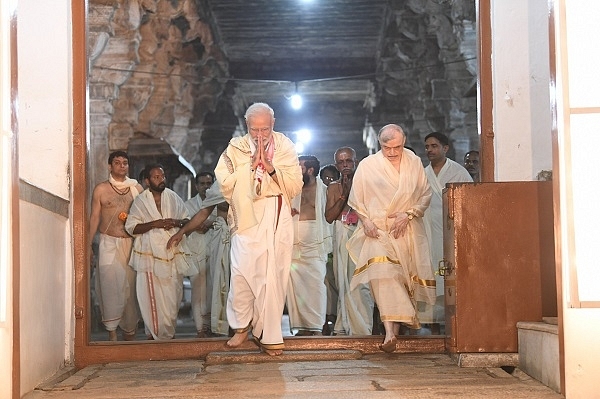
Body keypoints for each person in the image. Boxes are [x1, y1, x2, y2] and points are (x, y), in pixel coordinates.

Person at [214, 102, 302, 356]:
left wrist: (271, 167)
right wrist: (250, 166)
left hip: (276, 213)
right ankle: (241, 326)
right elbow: (225, 184)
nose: (260, 135)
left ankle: (267, 334)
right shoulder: (236, 147)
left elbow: (295, 184)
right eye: (255, 129)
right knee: (242, 270)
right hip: (247, 216)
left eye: (265, 129)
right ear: (247, 126)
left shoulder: (285, 146)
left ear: (273, 124)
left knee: (273, 274)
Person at [347, 124, 436, 352]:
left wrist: (408, 214)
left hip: (405, 231)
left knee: (401, 280)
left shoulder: (414, 162)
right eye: (388, 147)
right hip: (377, 231)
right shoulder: (368, 166)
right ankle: (389, 332)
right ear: (380, 144)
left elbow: (425, 195)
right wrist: (365, 221)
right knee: (384, 277)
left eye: (397, 147)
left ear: (404, 141)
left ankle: (394, 334)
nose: (393, 152)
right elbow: (357, 199)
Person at [125, 164, 197, 340]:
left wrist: (175, 222)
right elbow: (131, 227)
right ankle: (154, 334)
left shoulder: (173, 197)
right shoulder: (141, 201)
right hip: (149, 255)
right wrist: (155, 224)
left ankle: (168, 334)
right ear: (148, 181)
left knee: (173, 295)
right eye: (156, 177)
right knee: (151, 295)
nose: (161, 180)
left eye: (162, 176)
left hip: (171, 252)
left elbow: (187, 220)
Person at [89, 150, 143, 341]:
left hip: (131, 244)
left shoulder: (136, 188)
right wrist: (88, 246)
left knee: (130, 288)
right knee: (109, 286)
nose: (122, 165)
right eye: (117, 162)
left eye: (125, 163)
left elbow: (146, 215)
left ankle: (129, 332)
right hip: (108, 243)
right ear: (110, 166)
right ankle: (112, 333)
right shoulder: (101, 190)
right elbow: (94, 218)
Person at [167, 181, 231, 336]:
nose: (206, 186)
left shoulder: (249, 180)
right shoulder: (219, 188)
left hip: (243, 238)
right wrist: (181, 232)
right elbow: (203, 214)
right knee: (213, 284)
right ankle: (211, 327)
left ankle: (242, 326)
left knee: (236, 283)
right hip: (216, 243)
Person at [423, 132, 473, 330]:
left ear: (445, 148)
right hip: (428, 230)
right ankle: (434, 328)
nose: (430, 150)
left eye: (434, 146)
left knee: (451, 278)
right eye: (427, 147)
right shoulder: (423, 173)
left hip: (450, 231)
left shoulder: (458, 172)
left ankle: (454, 328)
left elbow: (468, 201)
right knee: (431, 277)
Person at [325, 147, 374, 336]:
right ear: (336, 164)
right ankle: (343, 324)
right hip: (341, 233)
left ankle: (363, 326)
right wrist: (343, 195)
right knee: (342, 281)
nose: (345, 165)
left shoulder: (366, 183)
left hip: (362, 233)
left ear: (356, 161)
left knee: (361, 281)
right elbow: (329, 217)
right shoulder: (333, 187)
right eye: (340, 162)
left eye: (348, 161)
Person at [286, 155, 332, 336]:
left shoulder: (325, 190)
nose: (297, 171)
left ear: (310, 170)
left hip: (315, 243)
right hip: (294, 243)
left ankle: (316, 327)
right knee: (296, 287)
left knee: (316, 286)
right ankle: (302, 327)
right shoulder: (292, 190)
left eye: (300, 168)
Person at [184, 171, 218, 338]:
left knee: (216, 289)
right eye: (203, 184)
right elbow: (186, 223)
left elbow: (222, 221)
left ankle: (215, 325)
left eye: (209, 183)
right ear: (196, 186)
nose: (206, 186)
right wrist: (200, 224)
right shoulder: (189, 205)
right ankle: (200, 328)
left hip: (217, 251)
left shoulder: (221, 203)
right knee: (198, 291)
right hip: (196, 251)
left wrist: (208, 223)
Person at [319, 163, 340, 334]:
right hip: (322, 245)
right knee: (325, 284)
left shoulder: (339, 192)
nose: (328, 180)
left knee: (338, 283)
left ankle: (339, 318)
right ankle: (325, 320)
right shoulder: (318, 193)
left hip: (338, 242)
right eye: (325, 177)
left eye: (332, 177)